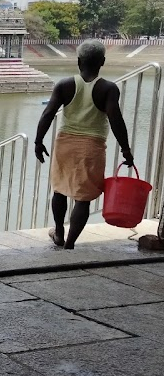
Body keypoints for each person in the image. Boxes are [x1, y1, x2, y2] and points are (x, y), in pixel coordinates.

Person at [35, 39, 133, 249]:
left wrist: (38, 141)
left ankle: (59, 232)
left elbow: (48, 113)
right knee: (83, 197)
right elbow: (116, 120)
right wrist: (126, 149)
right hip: (93, 146)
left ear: (79, 61)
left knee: (59, 189)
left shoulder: (64, 85)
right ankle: (70, 243)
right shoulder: (108, 89)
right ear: (102, 62)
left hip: (65, 144)